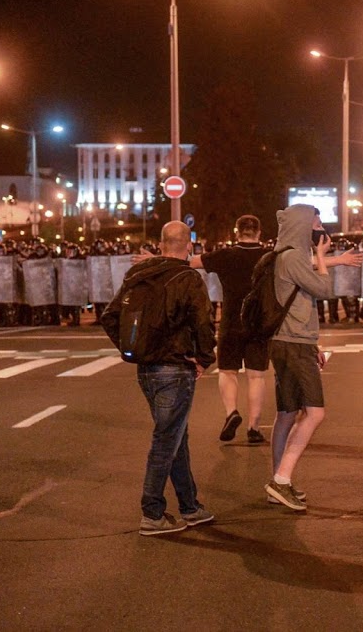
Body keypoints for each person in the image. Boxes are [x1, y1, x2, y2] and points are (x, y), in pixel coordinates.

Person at [101, 221, 217, 536]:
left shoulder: (138, 275)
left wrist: (131, 348)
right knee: (167, 440)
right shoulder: (188, 278)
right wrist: (204, 359)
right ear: (189, 246)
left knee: (176, 437)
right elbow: (203, 322)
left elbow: (110, 316)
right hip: (175, 368)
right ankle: (152, 512)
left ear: (162, 244)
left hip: (146, 369)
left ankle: (190, 506)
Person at [265, 204, 363, 511]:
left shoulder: (285, 256)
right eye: (316, 225)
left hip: (288, 340)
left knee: (286, 414)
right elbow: (322, 289)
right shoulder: (294, 256)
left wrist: (331, 258)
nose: (320, 231)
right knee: (315, 413)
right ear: (302, 227)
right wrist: (323, 257)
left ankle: (279, 483)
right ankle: (280, 480)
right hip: (294, 344)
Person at [189, 215, 271, 444]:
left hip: (231, 321)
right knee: (256, 375)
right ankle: (254, 428)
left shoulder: (225, 256)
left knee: (227, 371)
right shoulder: (269, 257)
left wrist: (156, 258)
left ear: (237, 232)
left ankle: (231, 412)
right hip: (259, 324)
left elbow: (191, 262)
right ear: (259, 233)